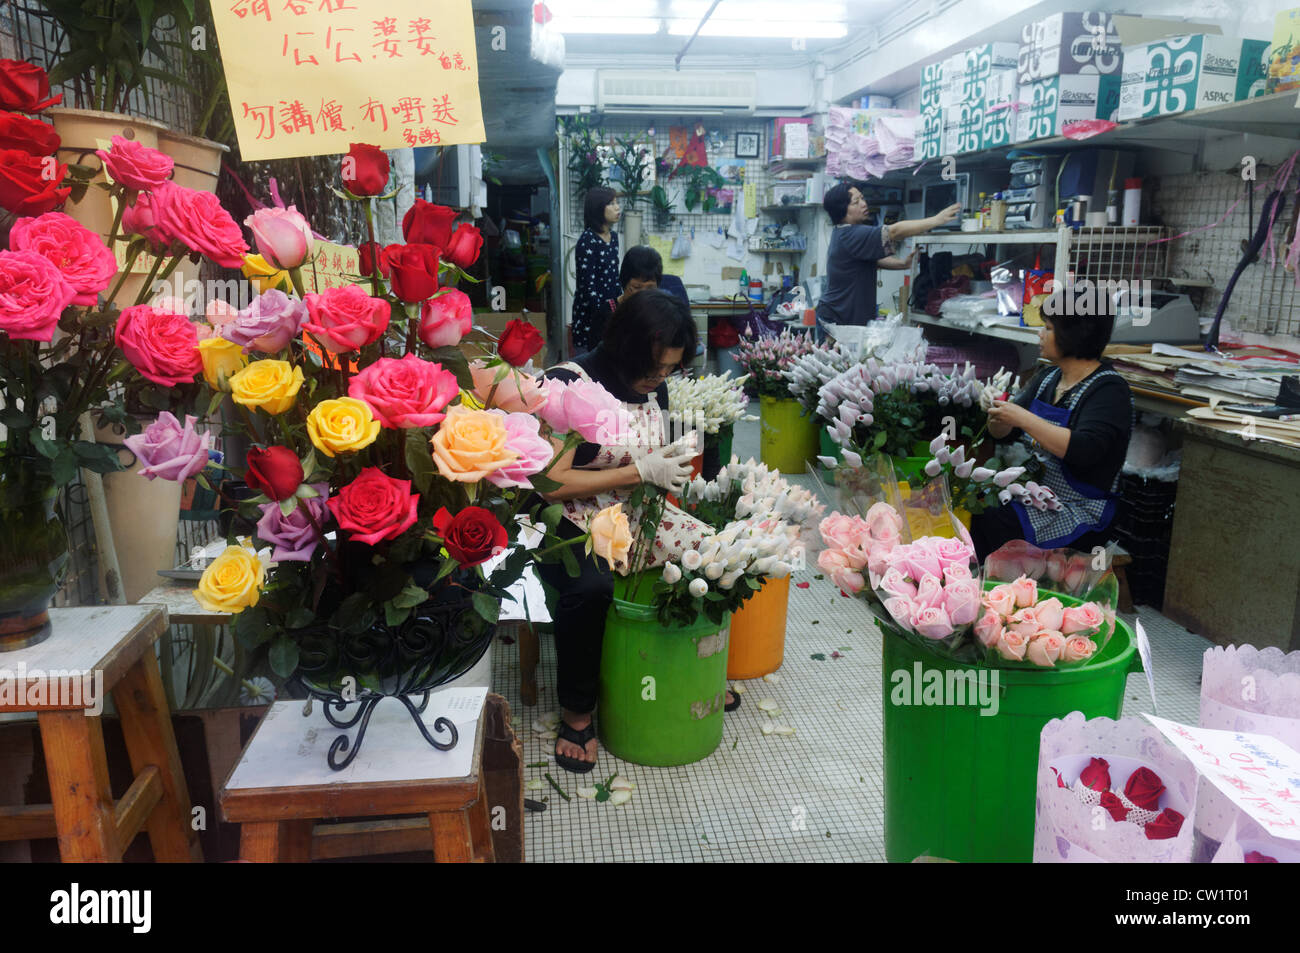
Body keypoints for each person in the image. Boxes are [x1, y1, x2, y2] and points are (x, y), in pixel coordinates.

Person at [536, 290, 720, 774]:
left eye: (667, 372)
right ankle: (578, 711)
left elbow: (652, 466)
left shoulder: (653, 386)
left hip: (631, 510)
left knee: (713, 555)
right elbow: (550, 483)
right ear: (624, 346)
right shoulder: (567, 384)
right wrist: (640, 471)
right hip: (568, 521)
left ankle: (682, 670)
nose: (658, 381)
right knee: (590, 587)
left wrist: (670, 475)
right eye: (653, 370)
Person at [972, 312, 1135, 562]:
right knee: (976, 501)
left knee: (999, 519)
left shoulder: (1109, 390)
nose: (1040, 334)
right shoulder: (1048, 378)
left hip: (1078, 509)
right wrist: (997, 412)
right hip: (1037, 493)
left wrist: (1022, 417)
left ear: (1074, 336)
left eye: (1047, 328)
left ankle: (1006, 592)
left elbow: (1084, 450)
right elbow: (1003, 436)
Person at [816, 182, 961, 328]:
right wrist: (936, 220)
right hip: (838, 318)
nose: (864, 204)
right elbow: (894, 231)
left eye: (862, 198)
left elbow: (871, 261)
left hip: (844, 315)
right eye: (856, 202)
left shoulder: (843, 232)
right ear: (843, 210)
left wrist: (902, 264)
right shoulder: (851, 234)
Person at [571, 186, 622, 353]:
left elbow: (615, 277)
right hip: (590, 318)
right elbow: (588, 287)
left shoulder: (613, 238)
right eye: (611, 203)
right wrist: (603, 315)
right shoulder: (587, 240)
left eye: (617, 202)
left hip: (611, 316)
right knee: (588, 371)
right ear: (598, 208)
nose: (617, 207)